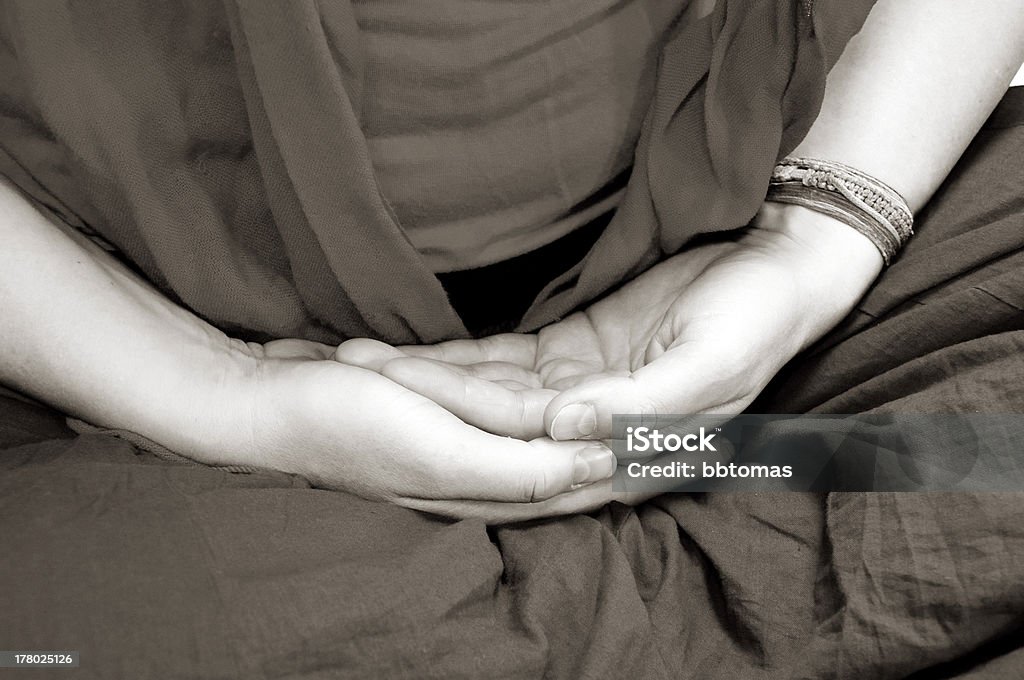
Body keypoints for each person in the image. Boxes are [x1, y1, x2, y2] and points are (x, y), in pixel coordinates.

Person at [1, 0, 1023, 529]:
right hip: (102, 351)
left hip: (813, 240)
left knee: (985, 472)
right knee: (82, 629)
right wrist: (220, 395)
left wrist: (813, 234)